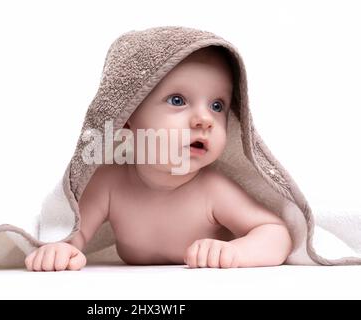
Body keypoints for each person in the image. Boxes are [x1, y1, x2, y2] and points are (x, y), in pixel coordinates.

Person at [25, 46, 293, 271]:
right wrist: (60, 249)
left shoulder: (212, 189)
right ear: (126, 118)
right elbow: (74, 232)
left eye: (217, 105)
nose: (205, 119)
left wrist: (235, 252)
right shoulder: (110, 182)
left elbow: (276, 232)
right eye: (177, 100)